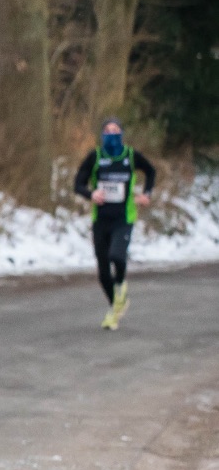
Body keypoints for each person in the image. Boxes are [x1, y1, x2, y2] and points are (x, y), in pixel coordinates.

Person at [73, 118, 156, 330]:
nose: (112, 134)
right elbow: (78, 184)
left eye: (116, 130)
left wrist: (146, 194)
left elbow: (151, 171)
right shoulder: (95, 157)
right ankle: (115, 307)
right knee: (102, 273)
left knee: (116, 256)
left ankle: (120, 285)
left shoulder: (130, 156)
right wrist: (91, 194)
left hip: (123, 218)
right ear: (102, 135)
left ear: (122, 133)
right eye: (108, 131)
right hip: (100, 220)